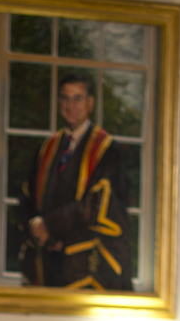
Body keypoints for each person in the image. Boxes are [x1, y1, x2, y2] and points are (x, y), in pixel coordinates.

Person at [18, 72, 134, 290]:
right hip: (47, 259)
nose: (70, 105)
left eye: (77, 98)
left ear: (90, 103)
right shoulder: (48, 148)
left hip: (87, 266)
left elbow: (97, 205)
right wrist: (37, 228)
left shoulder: (109, 151)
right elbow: (28, 197)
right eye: (65, 98)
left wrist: (48, 225)